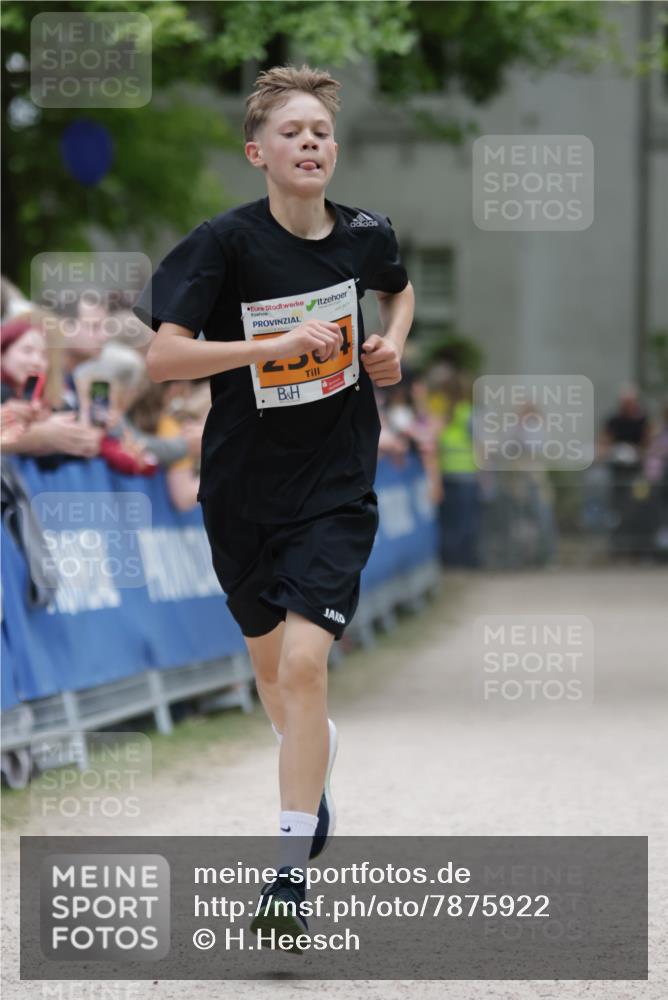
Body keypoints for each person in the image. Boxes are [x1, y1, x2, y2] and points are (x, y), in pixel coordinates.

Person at [133, 64, 414, 948]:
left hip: (334, 490)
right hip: (241, 490)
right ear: (258, 152)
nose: (310, 143)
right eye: (291, 132)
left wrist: (391, 347)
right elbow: (161, 362)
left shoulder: (366, 234)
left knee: (303, 667)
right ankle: (312, 760)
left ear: (334, 150)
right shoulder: (223, 245)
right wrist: (270, 346)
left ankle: (288, 877)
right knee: (273, 681)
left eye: (322, 132)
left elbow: (398, 286)